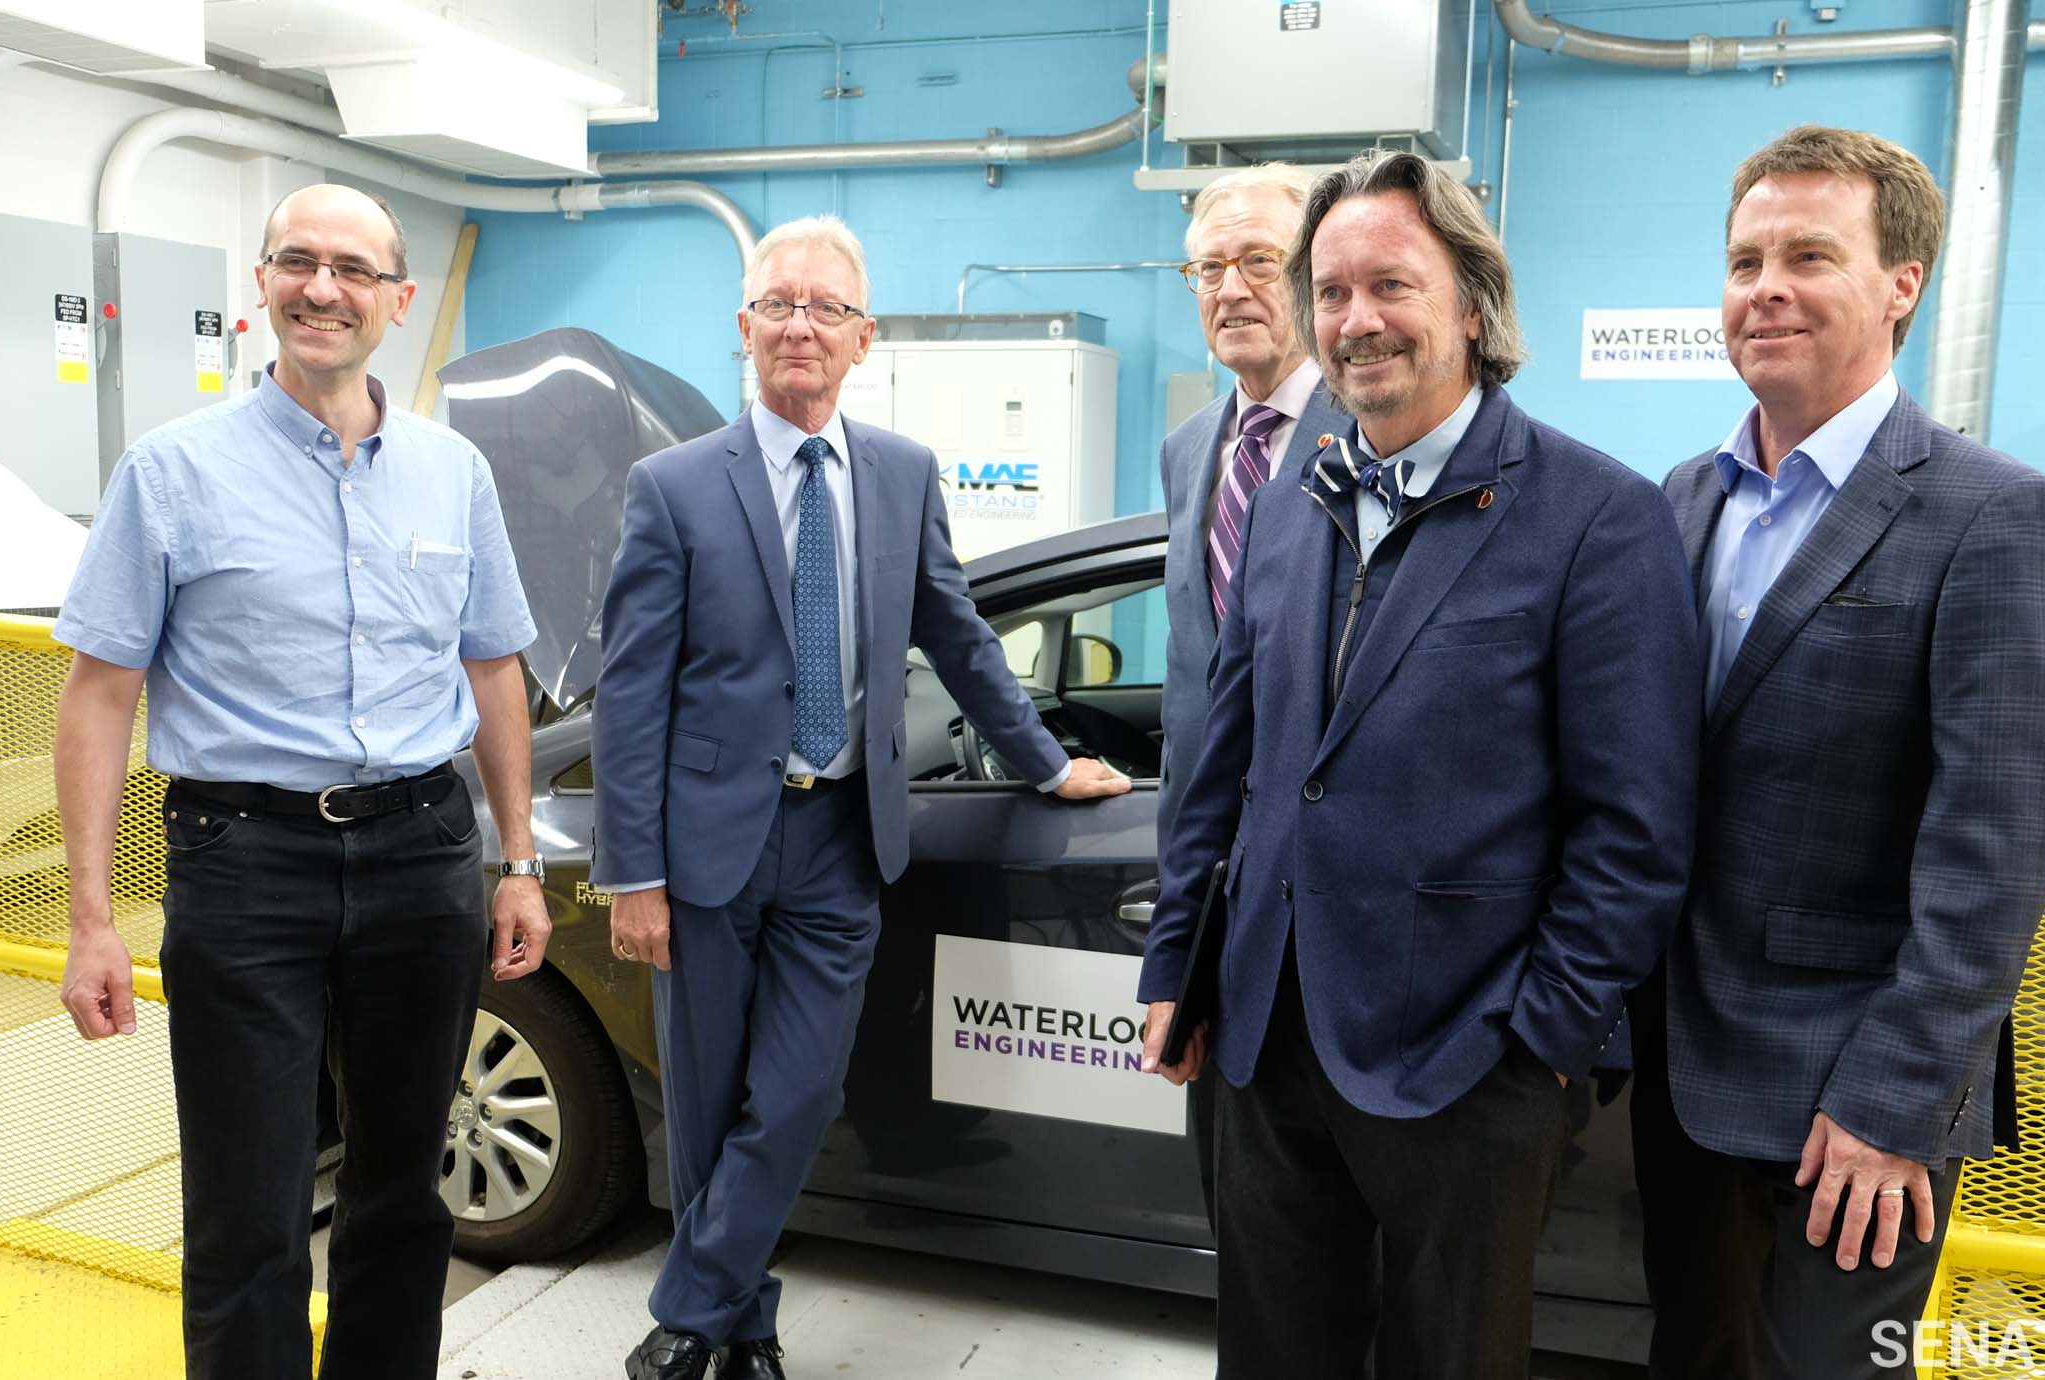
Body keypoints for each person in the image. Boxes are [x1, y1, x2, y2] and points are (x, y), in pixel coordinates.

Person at [1136, 150, 1699, 1377]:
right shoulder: (1297, 497)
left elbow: (1636, 831)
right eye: (1329, 292)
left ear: (1475, 303)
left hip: (1468, 1056)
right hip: (1264, 1039)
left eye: (1390, 284)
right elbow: (1225, 756)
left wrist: (1540, 1046)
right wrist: (1179, 962)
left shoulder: (1597, 518)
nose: (1354, 321)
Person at [592, 214, 1130, 1380]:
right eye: (778, 303)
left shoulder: (901, 473)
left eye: (824, 308)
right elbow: (632, 696)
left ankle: (686, 1308)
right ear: (745, 328)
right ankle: (740, 1330)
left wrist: (1045, 759)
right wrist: (629, 871)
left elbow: (962, 635)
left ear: (861, 338)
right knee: (705, 1104)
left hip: (840, 839)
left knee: (800, 1092)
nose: (799, 323)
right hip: (704, 846)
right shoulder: (675, 488)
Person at [51, 184, 550, 1380]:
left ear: (397, 299)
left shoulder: (452, 473)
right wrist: (90, 919)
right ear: (264, 283)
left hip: (423, 851)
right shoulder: (171, 472)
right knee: (249, 1204)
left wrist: (520, 861)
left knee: (401, 1188)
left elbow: (494, 672)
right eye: (298, 262)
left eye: (352, 270)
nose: (323, 288)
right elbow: (99, 695)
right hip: (244, 857)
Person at [1633, 125, 2045, 1380]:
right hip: (1681, 1063)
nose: (1764, 287)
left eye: (1809, 256)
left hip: (1852, 1090)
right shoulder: (1682, 498)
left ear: (1903, 285)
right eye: (1744, 260)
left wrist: (1895, 1104)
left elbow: (1992, 852)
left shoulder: (1991, 514)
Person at [1158, 163, 1354, 1226]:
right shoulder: (1192, 449)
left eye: (1259, 263)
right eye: (1208, 266)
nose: (1230, 288)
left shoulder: (1373, 432)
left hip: (1335, 905)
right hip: (1220, 909)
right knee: (1246, 1218)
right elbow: (1201, 691)